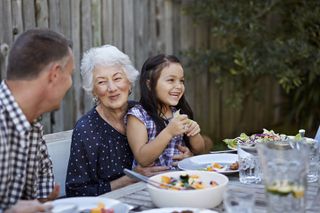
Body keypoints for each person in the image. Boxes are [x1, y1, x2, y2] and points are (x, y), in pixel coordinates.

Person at [65, 45, 192, 197]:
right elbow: (76, 192)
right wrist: (130, 179)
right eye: (101, 82)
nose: (112, 88)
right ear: (93, 90)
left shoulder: (144, 112)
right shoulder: (87, 129)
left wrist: (186, 156)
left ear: (129, 81)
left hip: (160, 195)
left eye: (117, 78)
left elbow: (176, 143)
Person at [0, 29, 74, 212]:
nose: (71, 83)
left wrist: (43, 199)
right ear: (55, 74)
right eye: (70, 73)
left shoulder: (32, 122)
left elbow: (43, 185)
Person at [126, 54, 205, 170]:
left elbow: (200, 150)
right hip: (150, 184)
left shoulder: (178, 112)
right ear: (149, 84)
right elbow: (142, 159)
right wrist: (169, 132)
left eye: (181, 81)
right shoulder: (138, 116)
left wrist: (194, 133)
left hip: (180, 180)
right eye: (171, 80)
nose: (179, 86)